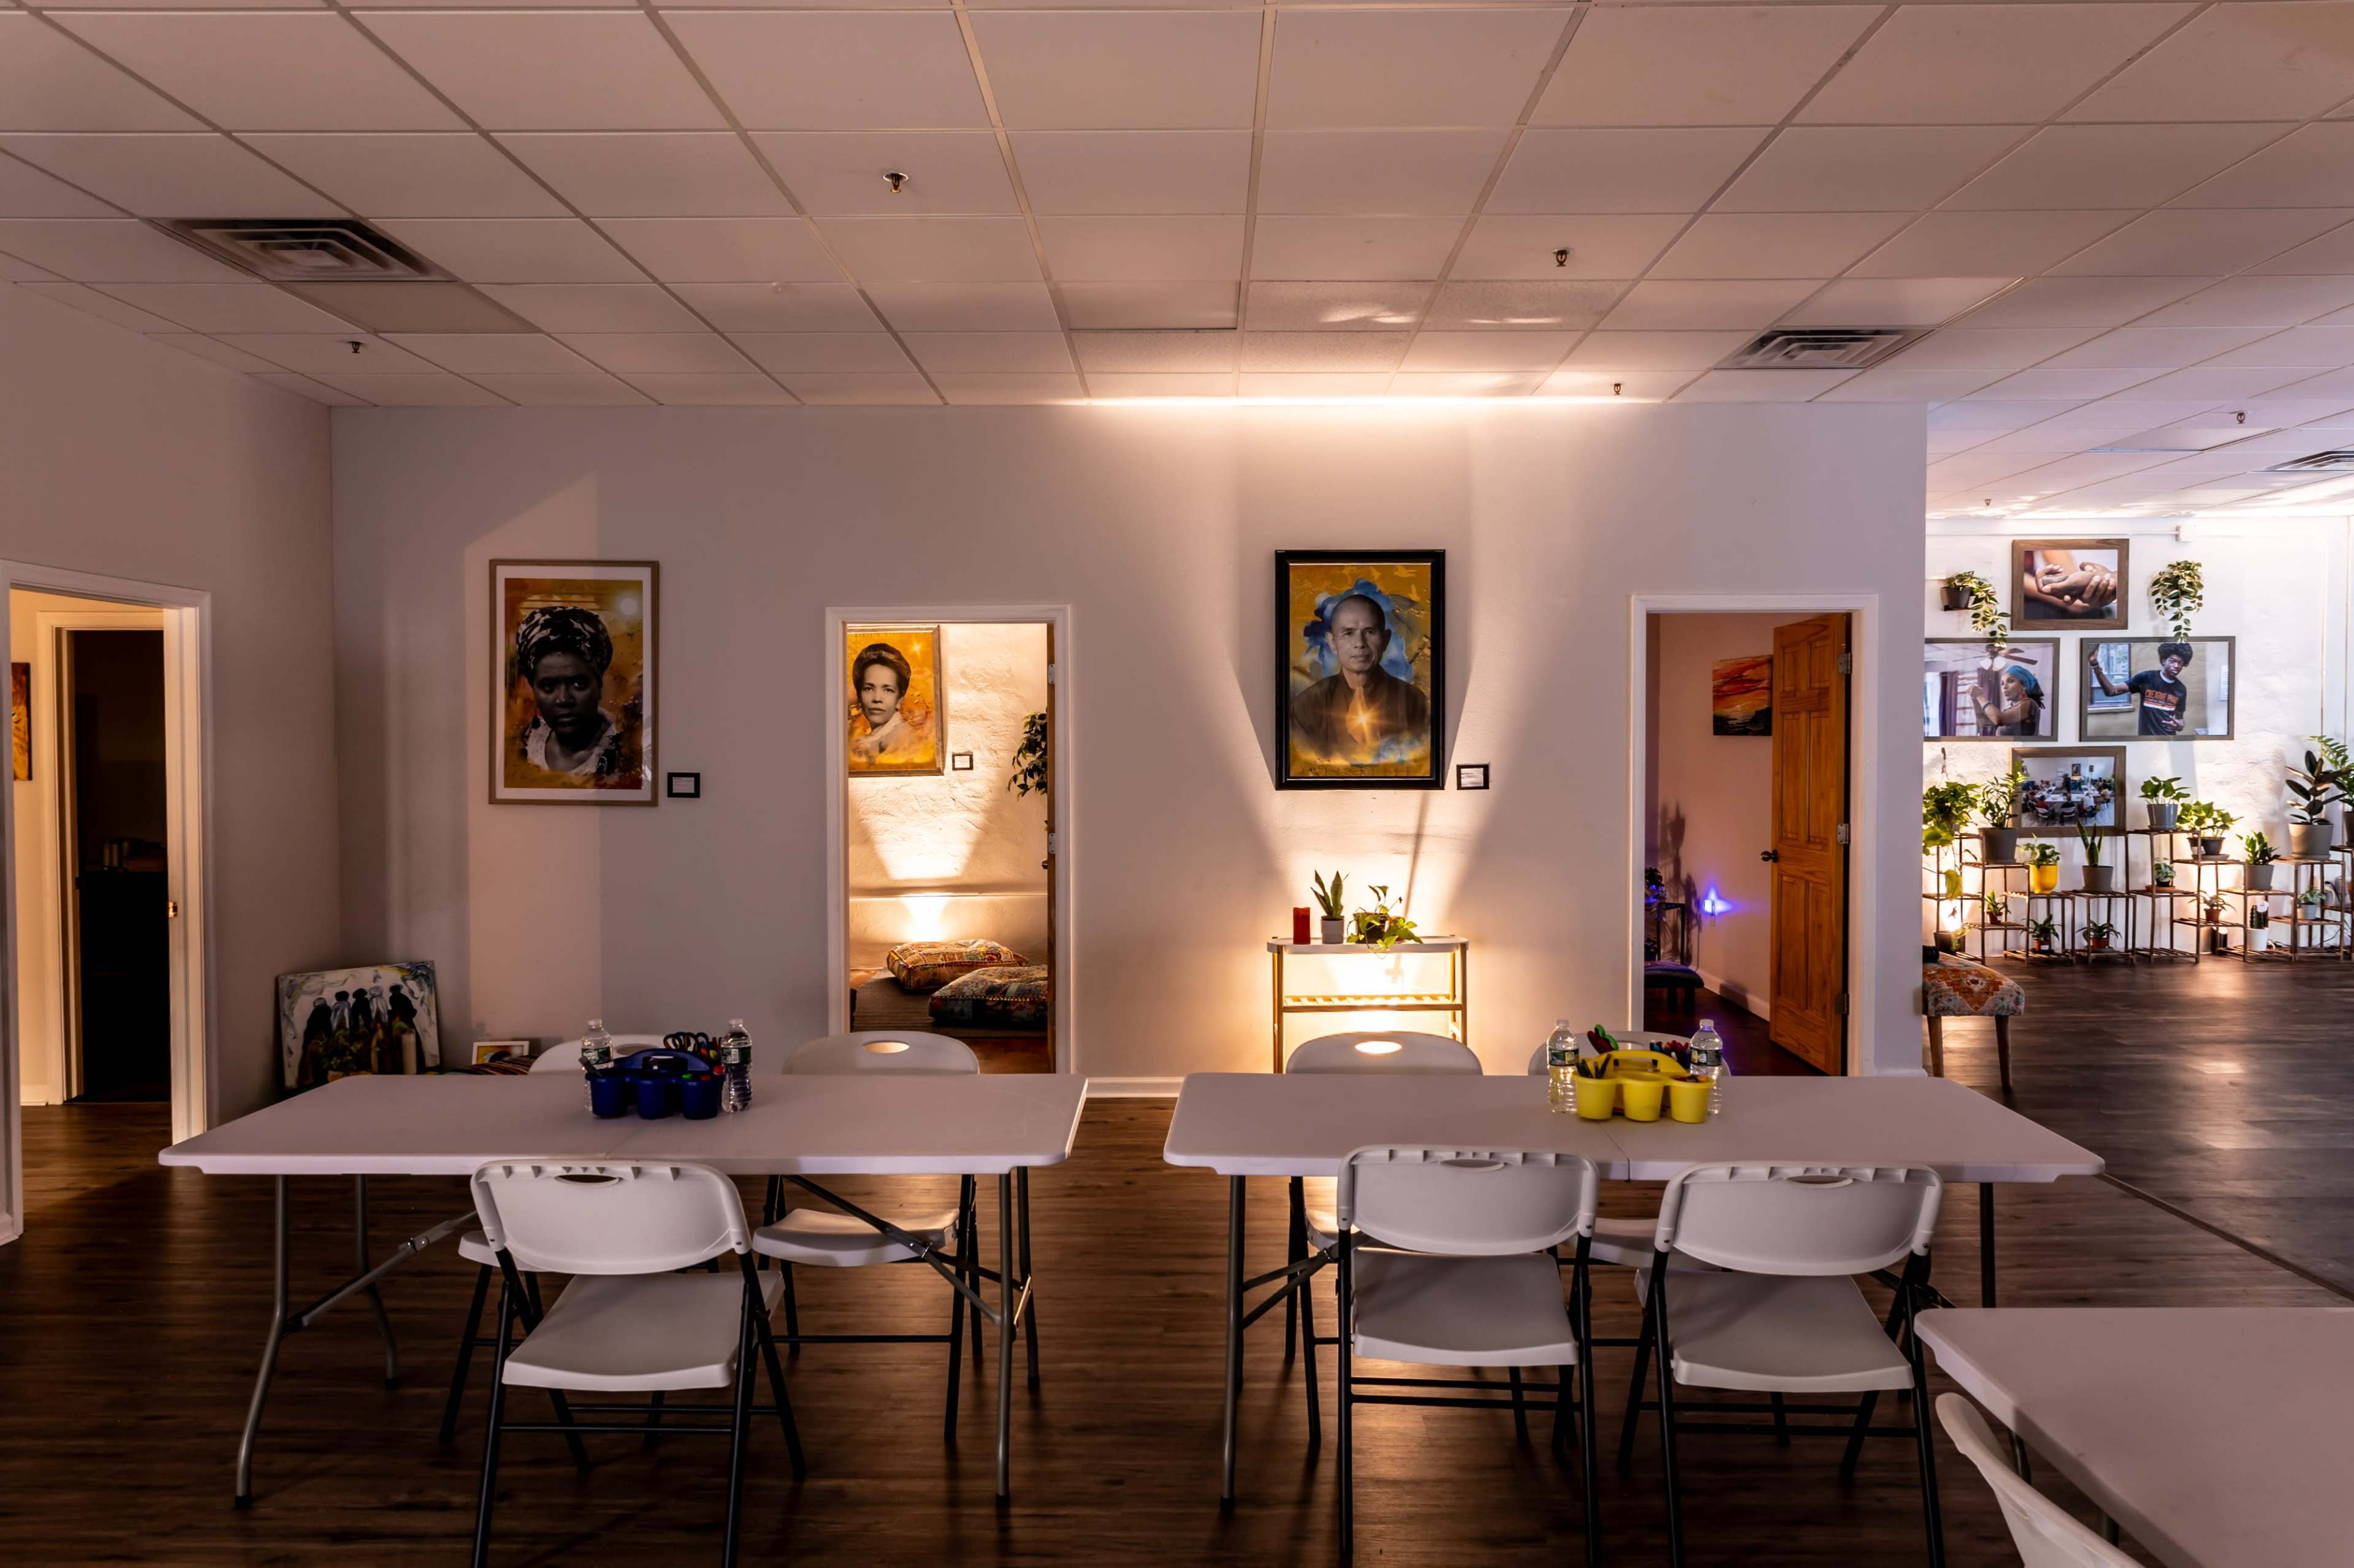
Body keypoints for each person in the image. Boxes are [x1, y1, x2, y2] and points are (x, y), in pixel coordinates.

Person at [1290, 592, 1430, 761]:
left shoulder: (1415, 703)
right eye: (1348, 633)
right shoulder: (1306, 707)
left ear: (1385, 640)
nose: (1360, 643)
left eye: (1370, 632)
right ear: (1333, 643)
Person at [514, 604, 627, 777]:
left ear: (598, 684)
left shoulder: (627, 753)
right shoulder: (525, 744)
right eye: (548, 687)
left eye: (579, 684)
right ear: (534, 688)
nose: (564, 699)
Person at [850, 641, 934, 765]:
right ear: (859, 694)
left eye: (888, 690)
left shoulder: (903, 742)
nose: (877, 698)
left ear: (900, 698)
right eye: (869, 688)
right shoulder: (862, 738)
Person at [2089, 641, 2192, 736]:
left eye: (2181, 663)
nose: (2177, 666)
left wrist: (2179, 726)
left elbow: (2179, 720)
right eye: (2173, 661)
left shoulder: (2181, 689)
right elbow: (2111, 691)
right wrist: (2094, 663)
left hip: (2169, 740)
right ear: (2164, 661)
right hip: (2145, 741)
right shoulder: (2146, 678)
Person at [2021, 548, 2117, 620]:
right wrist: (2057, 597)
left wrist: (2075, 587)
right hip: (2019, 590)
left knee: (2091, 612)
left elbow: (2056, 550)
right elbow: (2014, 577)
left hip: (2036, 583)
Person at [1968, 653, 2045, 737]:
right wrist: (1975, 698)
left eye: (2011, 681)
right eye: (2002, 684)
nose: (2004, 687)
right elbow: (1985, 723)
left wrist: (1980, 697)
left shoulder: (2029, 704)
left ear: (2024, 686)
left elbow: (1999, 719)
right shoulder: (2008, 710)